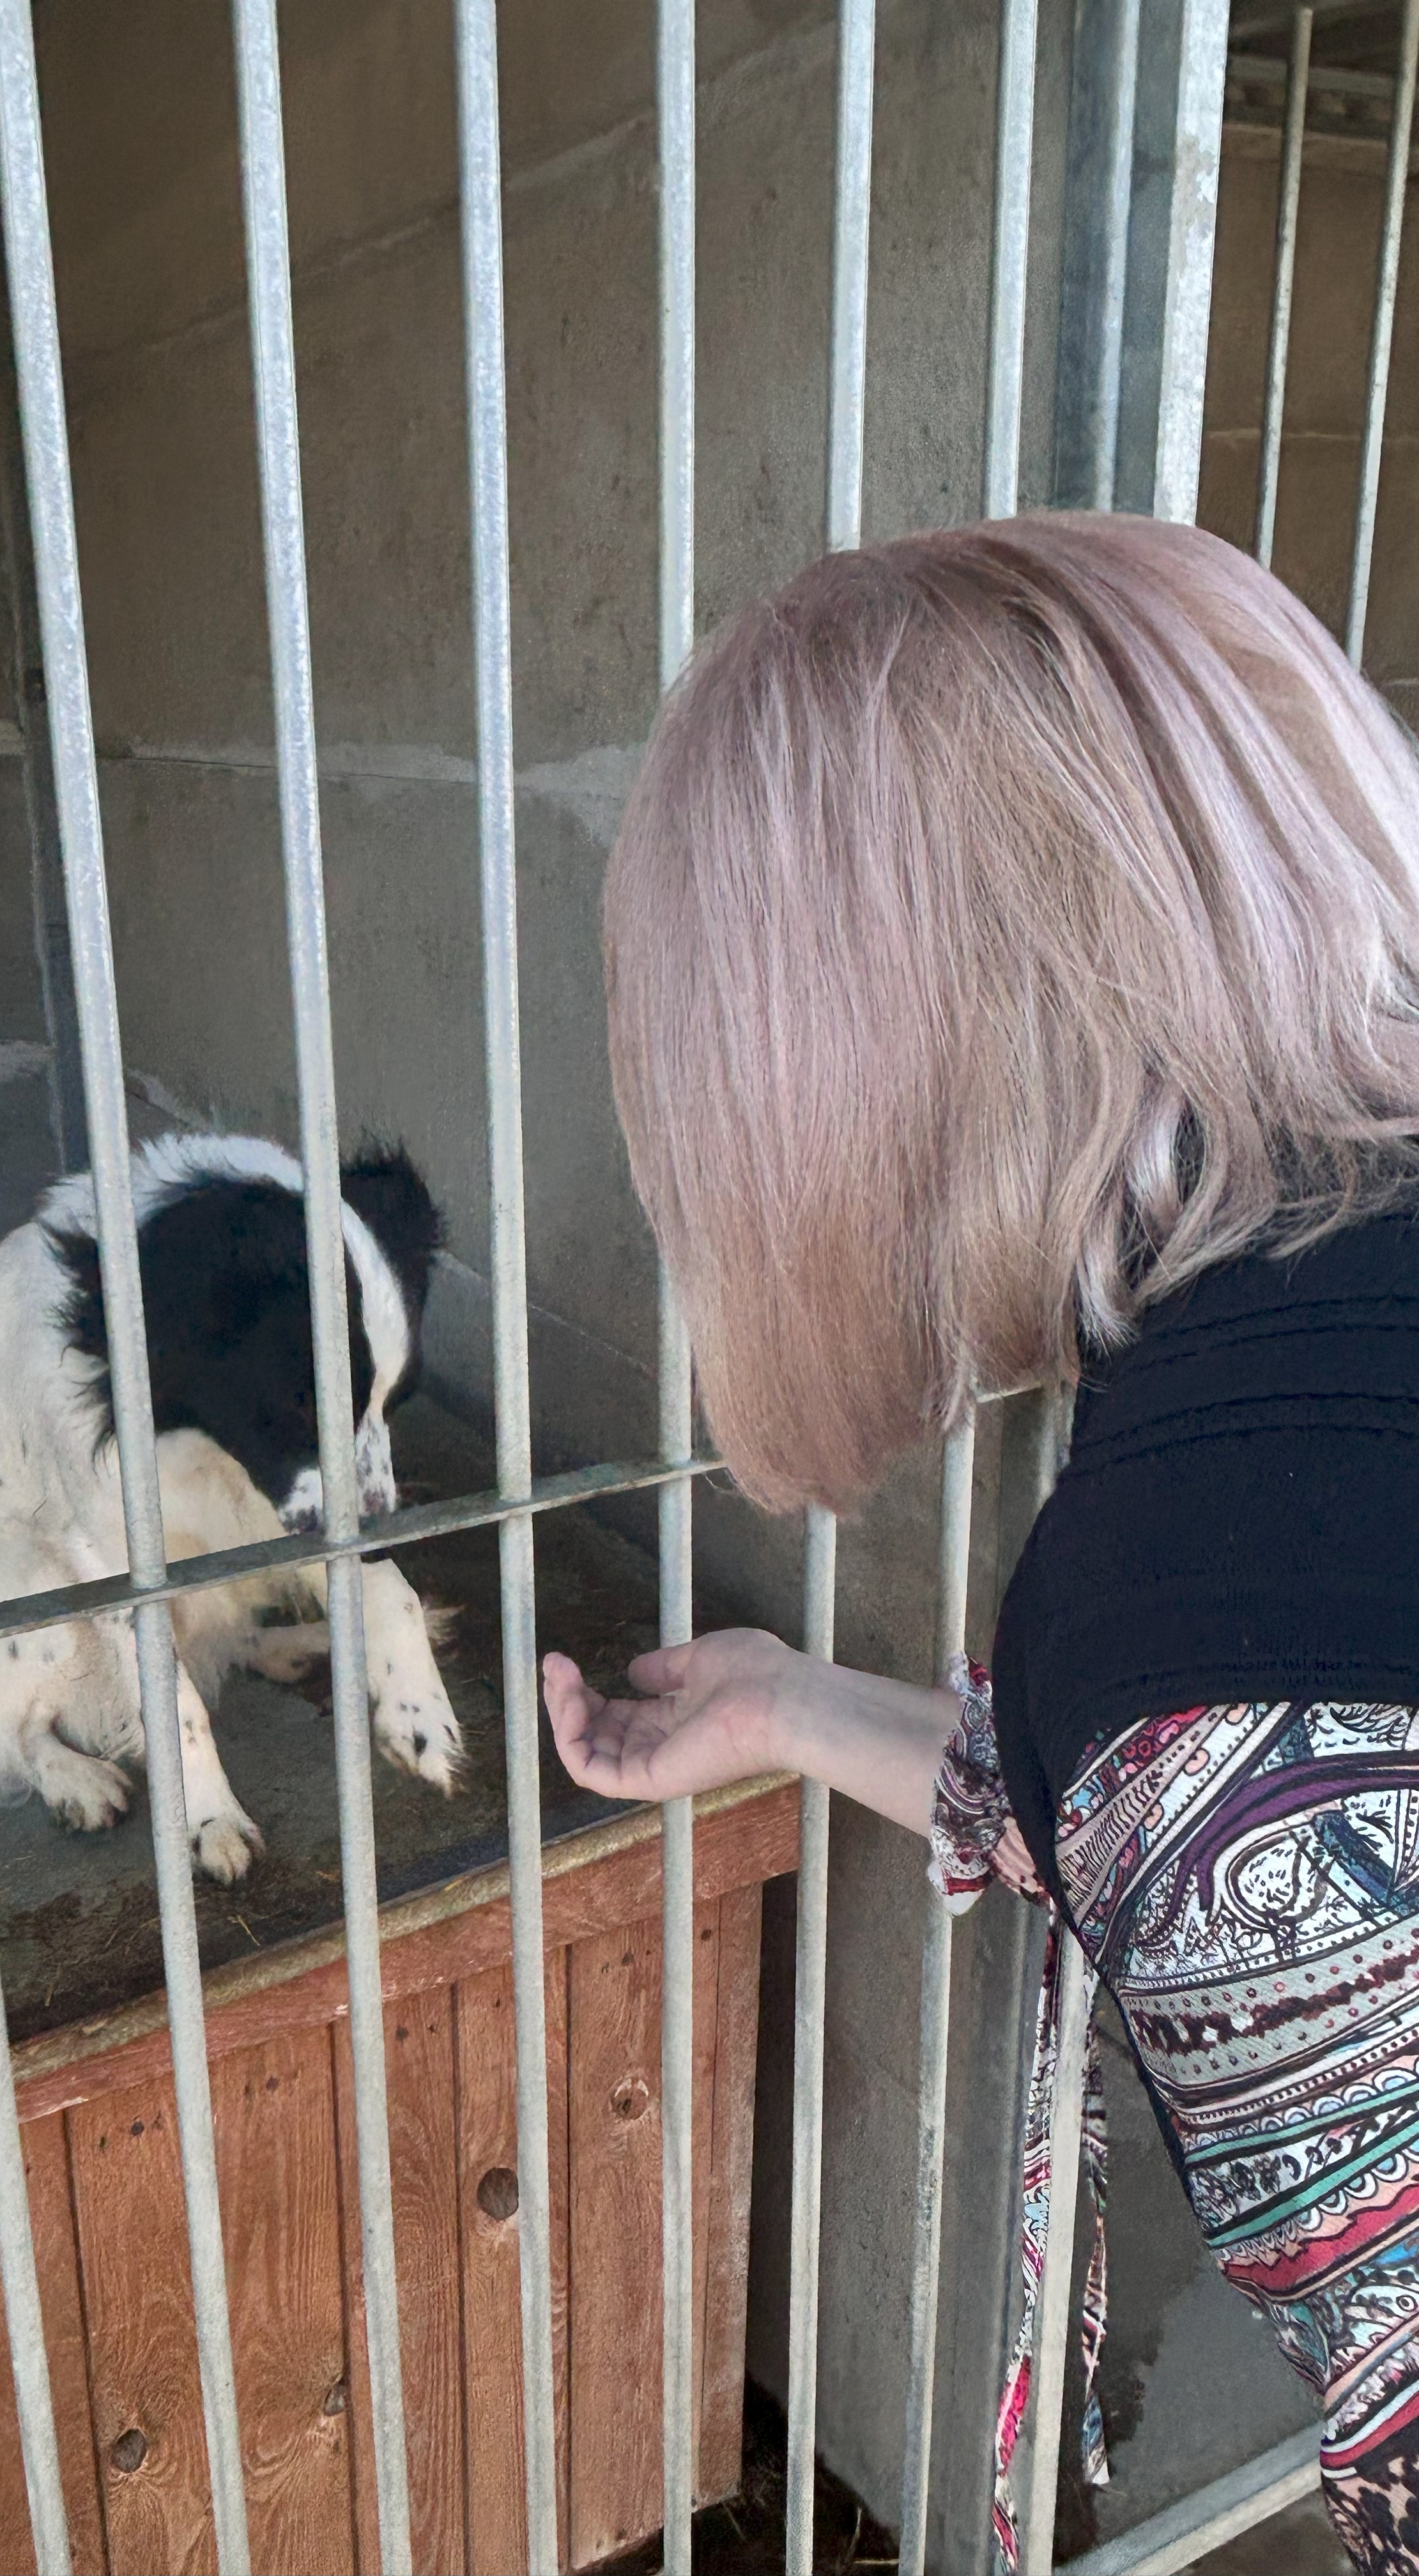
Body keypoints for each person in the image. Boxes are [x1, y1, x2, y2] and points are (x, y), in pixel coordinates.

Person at [542, 512, 1419, 2575]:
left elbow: (1240, 1788)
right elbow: (1193, 1781)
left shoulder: (1193, 1604)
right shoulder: (1281, 1380)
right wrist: (788, 1705)